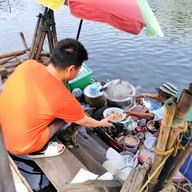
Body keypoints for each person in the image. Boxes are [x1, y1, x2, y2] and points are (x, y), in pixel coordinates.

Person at [0, 38, 112, 157]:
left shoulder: (29, 64)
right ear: (70, 69)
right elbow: (86, 121)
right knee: (65, 118)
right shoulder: (64, 98)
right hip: (18, 145)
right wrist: (101, 123)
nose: (78, 73)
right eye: (78, 70)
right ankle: (39, 150)